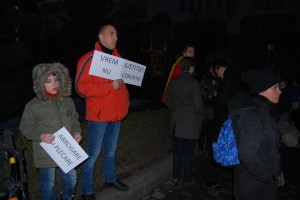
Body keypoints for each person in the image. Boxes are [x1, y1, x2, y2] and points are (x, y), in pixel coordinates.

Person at [75, 22, 130, 199]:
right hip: (99, 116)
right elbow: (80, 88)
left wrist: (125, 104)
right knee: (92, 154)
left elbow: (123, 87)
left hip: (116, 115)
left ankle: (110, 179)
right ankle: (87, 191)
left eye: (117, 34)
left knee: (110, 151)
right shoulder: (89, 59)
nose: (116, 37)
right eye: (111, 33)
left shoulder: (119, 59)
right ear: (101, 37)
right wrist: (109, 86)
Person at [19, 62, 82, 200]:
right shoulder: (33, 105)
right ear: (40, 84)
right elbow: (25, 127)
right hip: (46, 151)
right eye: (48, 81)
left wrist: (77, 133)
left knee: (72, 180)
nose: (54, 84)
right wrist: (40, 136)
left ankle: (66, 197)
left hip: (66, 150)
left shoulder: (67, 101)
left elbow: (74, 119)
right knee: (48, 184)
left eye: (56, 80)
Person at [227, 69, 283, 200]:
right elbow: (247, 154)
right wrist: (267, 178)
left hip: (257, 183)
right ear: (262, 90)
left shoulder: (263, 110)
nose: (279, 91)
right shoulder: (253, 115)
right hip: (254, 187)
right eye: (275, 88)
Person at [166, 57, 205, 185]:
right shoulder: (194, 83)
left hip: (177, 123)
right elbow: (199, 106)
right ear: (191, 68)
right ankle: (187, 178)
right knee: (189, 152)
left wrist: (175, 111)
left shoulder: (173, 82)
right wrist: (200, 117)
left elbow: (168, 101)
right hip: (190, 124)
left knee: (177, 151)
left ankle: (176, 176)